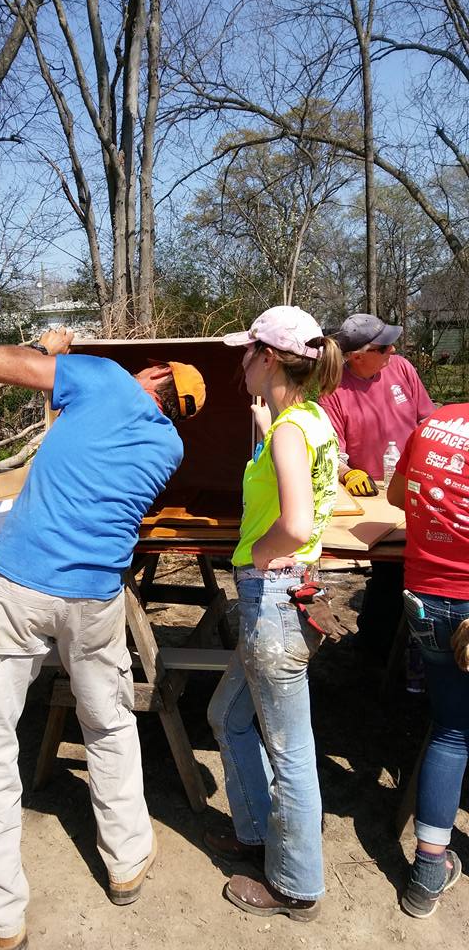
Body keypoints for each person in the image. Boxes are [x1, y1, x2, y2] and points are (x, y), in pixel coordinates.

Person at [0, 328, 206, 950]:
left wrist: (54, 350)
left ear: (152, 378)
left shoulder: (104, 381)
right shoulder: (170, 447)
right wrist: (64, 366)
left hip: (19, 586)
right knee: (110, 721)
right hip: (95, 598)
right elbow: (78, 433)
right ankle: (126, 861)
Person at [206, 305, 342, 921]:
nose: (240, 361)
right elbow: (308, 494)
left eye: (246, 350)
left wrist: (259, 555)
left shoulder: (290, 431)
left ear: (267, 358)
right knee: (226, 716)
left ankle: (297, 886)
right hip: (288, 598)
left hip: (274, 599)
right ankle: (257, 831)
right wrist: (267, 431)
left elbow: (298, 522)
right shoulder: (309, 420)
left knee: (290, 752)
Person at [387, 403, 469, 918]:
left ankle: (426, 873)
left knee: (451, 730)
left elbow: (397, 496)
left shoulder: (435, 422)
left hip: (426, 598)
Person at [319, 313, 435, 660]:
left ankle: (416, 642)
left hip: (415, 484)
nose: (393, 350)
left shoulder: (401, 368)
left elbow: (426, 419)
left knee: (420, 565)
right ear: (357, 356)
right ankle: (376, 646)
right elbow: (331, 450)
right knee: (388, 570)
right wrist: (347, 473)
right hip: (371, 497)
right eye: (383, 347)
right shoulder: (334, 390)